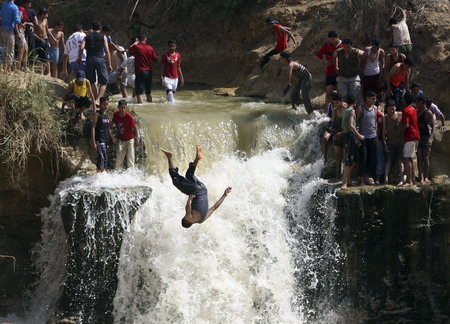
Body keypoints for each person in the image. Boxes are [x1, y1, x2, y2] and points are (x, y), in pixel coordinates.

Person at [162, 145, 232, 228]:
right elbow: (188, 209)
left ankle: (197, 158)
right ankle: (169, 157)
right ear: (187, 221)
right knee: (175, 179)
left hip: (203, 188)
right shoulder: (189, 218)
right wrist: (189, 200)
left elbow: (214, 207)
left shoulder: (202, 220)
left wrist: (225, 195)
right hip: (195, 191)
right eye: (184, 217)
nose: (185, 216)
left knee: (189, 175)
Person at [78, 21, 112, 105]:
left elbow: (81, 48)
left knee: (91, 81)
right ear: (100, 28)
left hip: (89, 59)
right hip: (100, 59)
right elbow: (107, 51)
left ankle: (95, 100)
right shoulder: (103, 37)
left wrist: (79, 57)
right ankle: (98, 99)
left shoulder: (87, 36)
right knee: (104, 82)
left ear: (92, 28)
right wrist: (110, 64)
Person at [315, 30, 344, 113]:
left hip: (341, 73)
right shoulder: (327, 45)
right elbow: (318, 55)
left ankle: (339, 111)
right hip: (330, 72)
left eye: (333, 39)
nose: (332, 41)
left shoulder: (343, 45)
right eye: (330, 40)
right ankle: (326, 111)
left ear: (338, 37)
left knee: (340, 94)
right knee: (328, 93)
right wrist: (324, 63)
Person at [341, 95, 365, 190]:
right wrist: (359, 135)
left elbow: (344, 125)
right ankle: (344, 183)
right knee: (349, 160)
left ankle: (348, 180)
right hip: (351, 136)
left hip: (347, 136)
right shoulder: (352, 111)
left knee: (352, 159)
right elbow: (351, 125)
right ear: (354, 103)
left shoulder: (344, 111)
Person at [355, 91, 378, 185]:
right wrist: (358, 137)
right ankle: (361, 179)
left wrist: (376, 134)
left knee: (371, 158)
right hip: (363, 137)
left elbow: (375, 121)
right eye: (372, 99)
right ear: (367, 98)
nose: (374, 100)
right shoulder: (361, 108)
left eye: (375, 99)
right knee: (363, 158)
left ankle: (367, 176)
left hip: (373, 136)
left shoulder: (375, 108)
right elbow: (357, 123)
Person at [129, 34, 158, 103]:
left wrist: (135, 43)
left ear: (138, 40)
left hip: (140, 71)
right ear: (145, 39)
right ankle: (150, 106)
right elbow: (155, 60)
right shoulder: (150, 48)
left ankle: (141, 107)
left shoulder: (136, 47)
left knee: (139, 93)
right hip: (149, 72)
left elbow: (129, 49)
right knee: (148, 92)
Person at [91, 97, 117, 172]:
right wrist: (93, 141)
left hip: (106, 139)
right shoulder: (97, 114)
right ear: (100, 104)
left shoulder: (106, 115)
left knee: (105, 156)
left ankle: (103, 171)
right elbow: (93, 127)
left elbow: (108, 128)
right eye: (104, 104)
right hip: (99, 139)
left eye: (107, 104)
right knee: (102, 156)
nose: (106, 106)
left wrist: (112, 138)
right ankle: (100, 171)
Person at [112, 100, 139, 169]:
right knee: (119, 158)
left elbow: (135, 128)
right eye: (121, 108)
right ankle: (118, 172)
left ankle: (131, 173)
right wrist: (112, 137)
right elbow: (110, 125)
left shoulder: (129, 116)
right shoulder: (116, 115)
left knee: (130, 158)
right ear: (118, 107)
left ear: (126, 108)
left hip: (130, 139)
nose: (122, 109)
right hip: (121, 139)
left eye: (124, 108)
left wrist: (137, 139)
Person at [383, 100, 405, 185]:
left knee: (400, 161)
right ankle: (386, 179)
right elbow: (383, 132)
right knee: (389, 161)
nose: (391, 111)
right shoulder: (385, 118)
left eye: (393, 109)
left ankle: (402, 179)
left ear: (395, 107)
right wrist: (385, 144)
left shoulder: (400, 115)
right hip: (390, 142)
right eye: (389, 109)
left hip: (400, 142)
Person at [400, 92, 420, 186]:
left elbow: (406, 125)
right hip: (416, 136)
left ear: (405, 100)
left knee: (406, 158)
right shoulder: (413, 109)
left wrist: (400, 132)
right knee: (410, 158)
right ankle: (413, 179)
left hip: (409, 136)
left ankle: (409, 180)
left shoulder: (406, 110)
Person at [415, 96, 434, 184]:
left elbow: (433, 126)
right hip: (419, 137)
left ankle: (426, 177)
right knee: (419, 157)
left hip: (426, 137)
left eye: (417, 102)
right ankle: (421, 177)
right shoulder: (418, 112)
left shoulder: (428, 112)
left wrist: (431, 138)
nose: (416, 104)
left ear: (421, 102)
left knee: (425, 157)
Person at [0, 0, 21, 74]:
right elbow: (17, 20)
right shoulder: (14, 7)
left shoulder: (4, 5)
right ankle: (8, 69)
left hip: (2, 29)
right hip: (9, 31)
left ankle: (2, 67)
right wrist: (20, 17)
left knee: (3, 49)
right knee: (10, 50)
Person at [322, 91, 343, 164]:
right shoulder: (330, 105)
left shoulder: (343, 107)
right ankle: (325, 157)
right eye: (332, 101)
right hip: (332, 124)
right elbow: (329, 117)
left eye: (334, 101)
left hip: (340, 125)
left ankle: (336, 158)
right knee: (325, 137)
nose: (333, 103)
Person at [33, 7, 54, 76]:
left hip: (45, 39)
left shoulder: (46, 20)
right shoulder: (36, 20)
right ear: (42, 14)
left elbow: (47, 30)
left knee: (47, 56)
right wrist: (39, 38)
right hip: (38, 40)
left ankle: (49, 72)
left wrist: (53, 38)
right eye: (46, 14)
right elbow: (33, 32)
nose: (47, 16)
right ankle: (41, 72)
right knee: (40, 56)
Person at [330, 93, 345, 179]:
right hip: (336, 135)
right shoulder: (334, 110)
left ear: (341, 102)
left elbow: (350, 125)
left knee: (345, 156)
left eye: (337, 103)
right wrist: (333, 132)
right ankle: (337, 175)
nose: (335, 105)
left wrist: (341, 133)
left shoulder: (347, 110)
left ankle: (344, 176)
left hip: (345, 135)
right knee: (337, 156)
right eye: (334, 103)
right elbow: (333, 123)